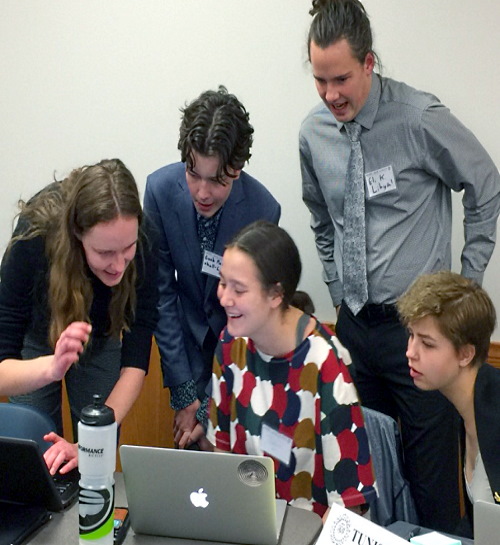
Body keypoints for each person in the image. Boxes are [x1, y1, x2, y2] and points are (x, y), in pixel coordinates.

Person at [299, 0, 500, 532]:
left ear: (369, 63)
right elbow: (320, 217)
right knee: (370, 486)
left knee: (434, 493)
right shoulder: (313, 134)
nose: (331, 94)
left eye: (341, 78)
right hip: (357, 333)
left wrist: (464, 289)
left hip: (421, 343)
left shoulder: (418, 118)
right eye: (319, 80)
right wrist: (338, 287)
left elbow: (485, 184)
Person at [207, 220, 376, 518]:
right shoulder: (230, 344)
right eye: (223, 283)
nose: (224, 298)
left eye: (239, 289)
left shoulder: (325, 363)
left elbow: (351, 507)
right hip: (247, 526)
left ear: (275, 295)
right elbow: (221, 452)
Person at [1, 158, 158, 474]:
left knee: (92, 460)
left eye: (126, 249)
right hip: (38, 343)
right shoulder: (35, 234)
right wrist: (52, 367)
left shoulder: (144, 240)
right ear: (76, 235)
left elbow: (136, 360)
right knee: (37, 457)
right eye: (104, 253)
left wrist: (93, 441)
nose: (118, 265)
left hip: (101, 337)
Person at [144, 86, 280, 449]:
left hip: (238, 353)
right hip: (181, 349)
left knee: (228, 456)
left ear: (237, 169)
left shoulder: (263, 211)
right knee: (186, 457)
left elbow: (249, 315)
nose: (202, 192)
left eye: (217, 180)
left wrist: (207, 404)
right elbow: (160, 293)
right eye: (193, 174)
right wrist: (185, 392)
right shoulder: (158, 190)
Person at [398, 271, 500, 535]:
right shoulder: (467, 405)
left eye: (427, 344)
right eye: (411, 335)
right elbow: (481, 522)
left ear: (466, 354)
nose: (410, 352)